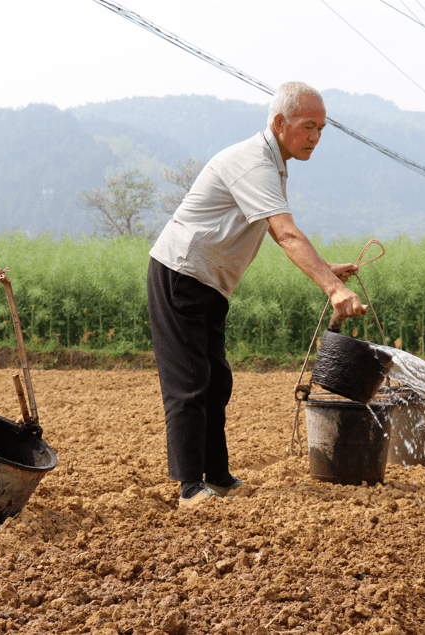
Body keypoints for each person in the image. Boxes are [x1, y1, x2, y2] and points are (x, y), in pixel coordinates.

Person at [147, 81, 366, 509]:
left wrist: (326, 269)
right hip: (181, 274)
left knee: (216, 381)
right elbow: (285, 232)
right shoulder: (253, 163)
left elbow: (271, 226)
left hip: (209, 283)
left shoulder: (273, 165)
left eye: (321, 129)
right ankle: (190, 487)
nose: (315, 137)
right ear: (279, 122)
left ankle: (218, 476)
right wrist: (334, 288)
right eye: (308, 127)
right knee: (190, 384)